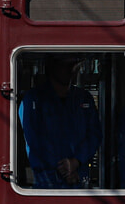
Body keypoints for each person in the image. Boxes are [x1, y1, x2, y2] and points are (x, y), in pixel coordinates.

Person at [19, 56, 103, 188]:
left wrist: (76, 162)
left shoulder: (84, 98)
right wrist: (63, 170)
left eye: (74, 65)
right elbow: (33, 141)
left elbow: (94, 134)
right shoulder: (33, 100)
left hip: (79, 179)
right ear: (53, 67)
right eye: (66, 65)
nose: (71, 70)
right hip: (45, 183)